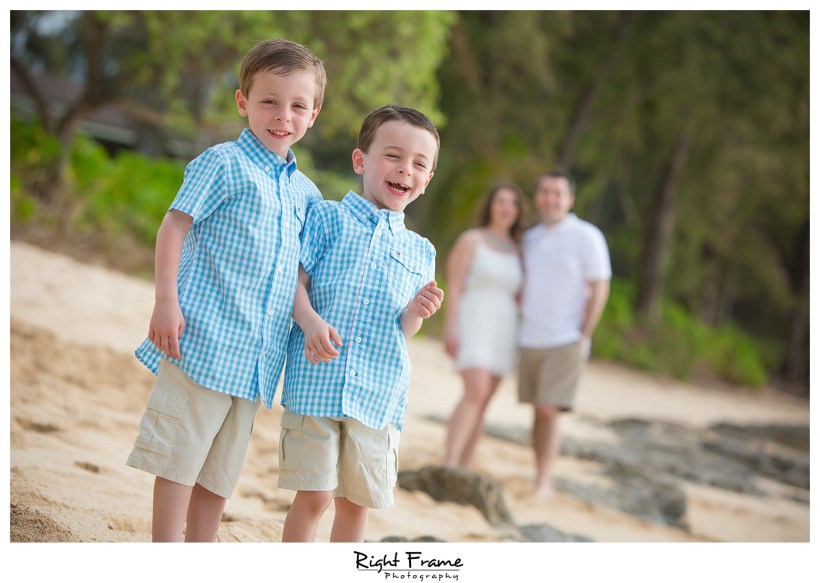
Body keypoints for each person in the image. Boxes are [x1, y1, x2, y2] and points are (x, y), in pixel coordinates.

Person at [126, 38, 327, 542]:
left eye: (297, 106)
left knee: (219, 473)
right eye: (269, 102)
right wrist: (165, 301)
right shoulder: (223, 163)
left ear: (314, 114)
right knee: (179, 460)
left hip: (257, 360)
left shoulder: (306, 193)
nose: (283, 116)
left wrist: (310, 323)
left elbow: (297, 276)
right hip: (204, 340)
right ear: (243, 102)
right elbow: (174, 226)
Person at [277, 105, 444, 542]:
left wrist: (415, 313)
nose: (405, 169)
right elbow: (294, 279)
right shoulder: (327, 218)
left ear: (426, 181)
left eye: (419, 164)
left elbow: (401, 331)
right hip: (317, 381)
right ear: (361, 161)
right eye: (393, 155)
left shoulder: (421, 250)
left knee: (355, 505)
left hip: (378, 394)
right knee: (314, 496)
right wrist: (310, 321)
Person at [518, 170, 611, 498]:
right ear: (537, 197)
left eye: (557, 193)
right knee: (538, 411)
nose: (550, 198)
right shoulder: (529, 238)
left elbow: (600, 285)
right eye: (544, 192)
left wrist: (584, 332)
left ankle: (544, 482)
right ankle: (538, 473)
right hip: (529, 337)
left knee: (548, 409)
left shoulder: (587, 236)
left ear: (570, 199)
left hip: (566, 338)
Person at [442, 182, 526, 469]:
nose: (506, 208)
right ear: (491, 205)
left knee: (485, 400)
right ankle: (449, 461)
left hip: (503, 329)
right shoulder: (471, 240)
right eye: (500, 201)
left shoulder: (518, 251)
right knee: (474, 392)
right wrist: (451, 329)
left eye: (512, 203)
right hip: (473, 322)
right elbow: (453, 287)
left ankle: (466, 464)